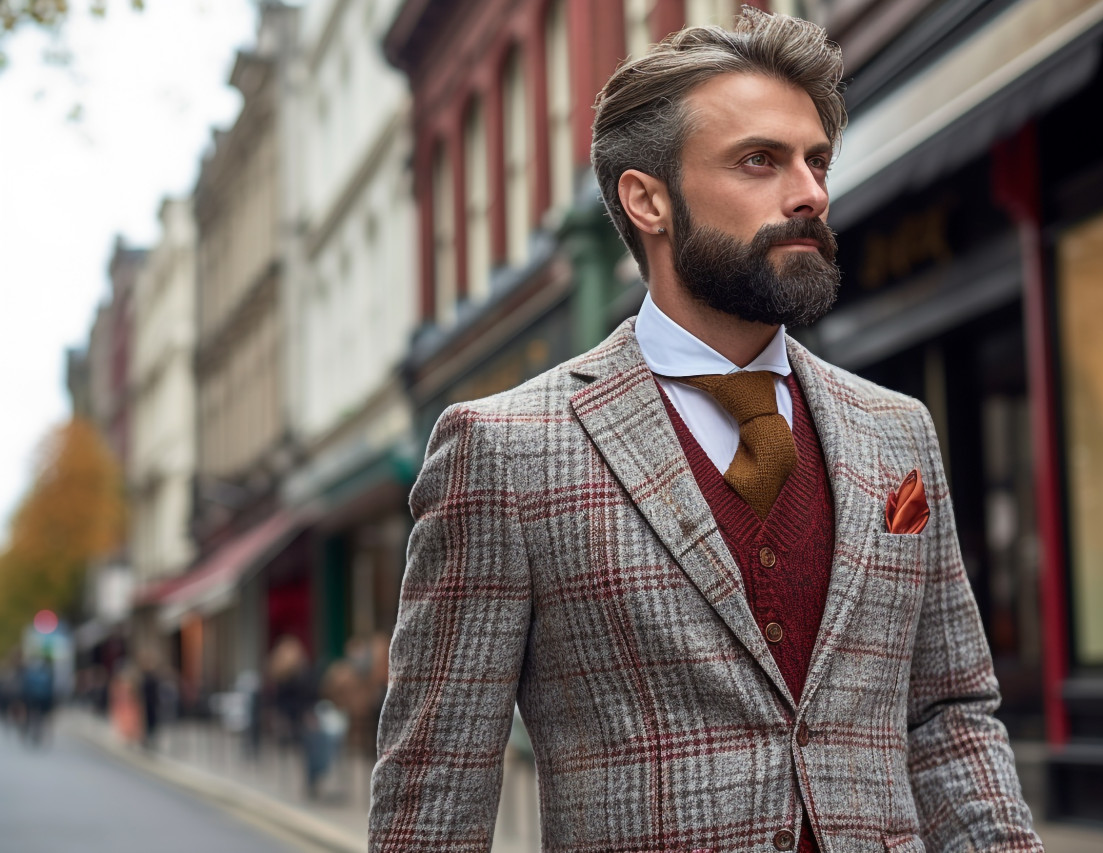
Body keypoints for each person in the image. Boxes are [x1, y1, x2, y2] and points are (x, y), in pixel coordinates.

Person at [370, 9, 1042, 852]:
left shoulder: (897, 431)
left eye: (816, 160)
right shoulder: (505, 451)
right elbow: (436, 787)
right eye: (761, 160)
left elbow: (947, 714)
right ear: (647, 199)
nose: (810, 193)